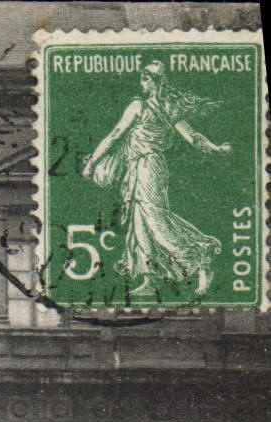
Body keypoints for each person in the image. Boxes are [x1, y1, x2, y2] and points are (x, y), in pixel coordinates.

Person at [80, 60, 232, 298]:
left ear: (155, 82)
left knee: (155, 221)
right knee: (139, 223)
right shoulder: (167, 108)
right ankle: (150, 278)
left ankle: (201, 260)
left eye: (145, 79)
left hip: (148, 167)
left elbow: (115, 135)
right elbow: (193, 138)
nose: (142, 83)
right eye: (142, 79)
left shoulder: (139, 106)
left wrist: (91, 163)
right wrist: (216, 148)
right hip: (141, 167)